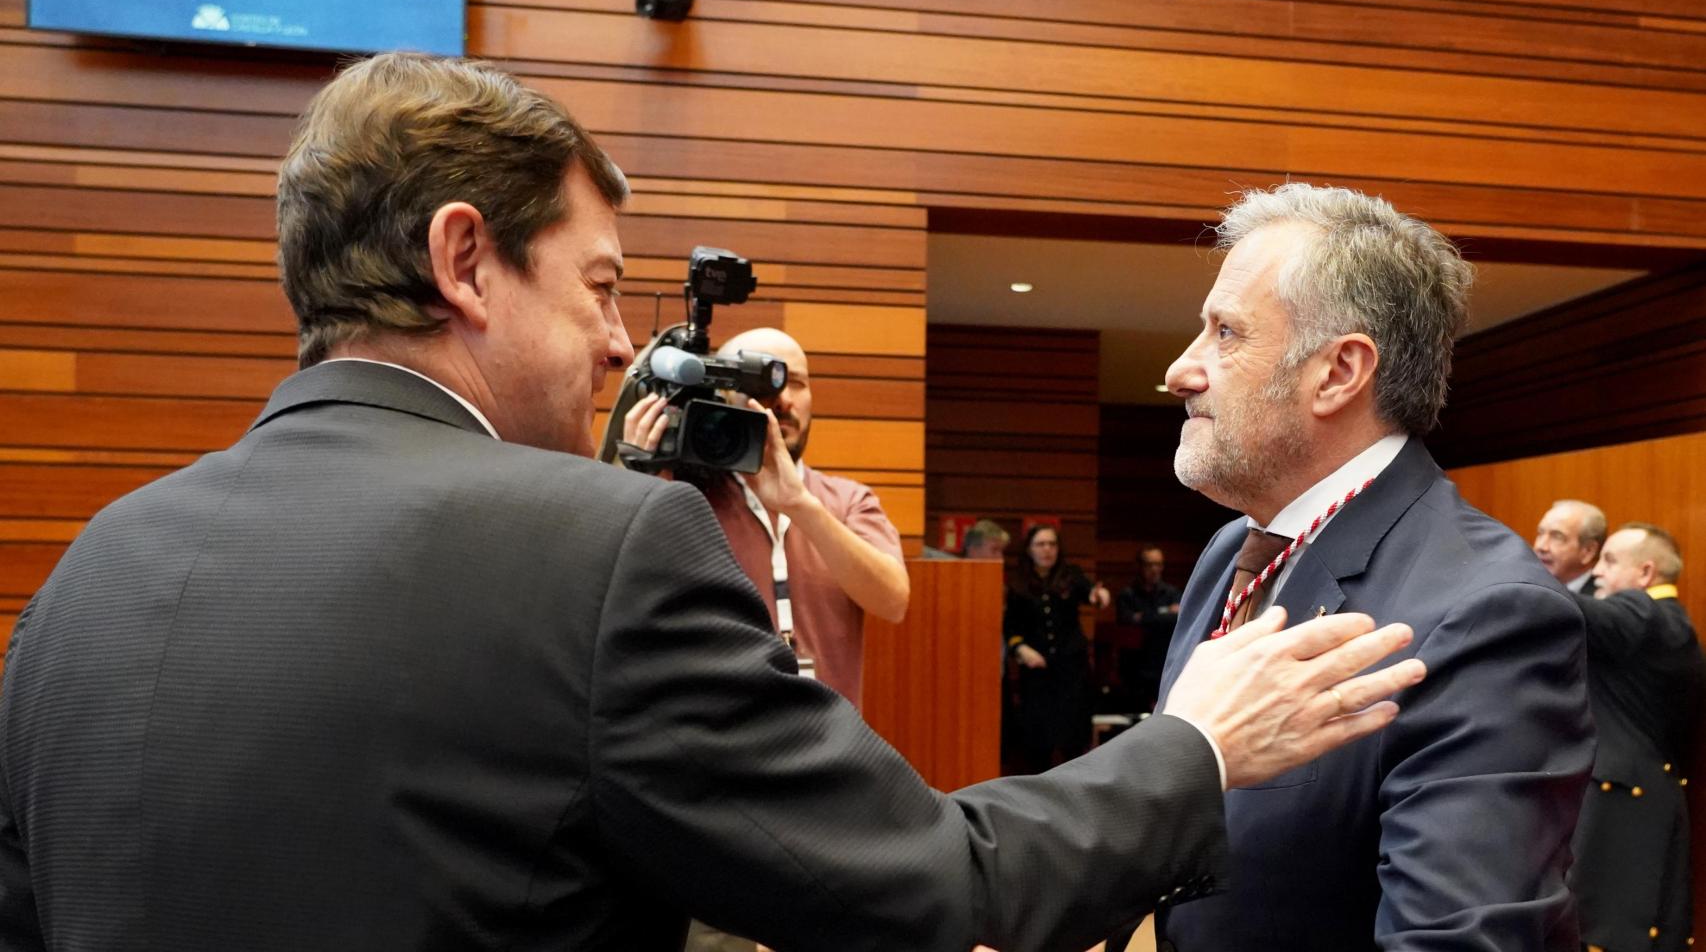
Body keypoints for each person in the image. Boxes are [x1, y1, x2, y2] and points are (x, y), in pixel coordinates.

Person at [0, 56, 1428, 951]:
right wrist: (1189, 746)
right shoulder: (592, 545)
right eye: (602, 285)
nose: (628, 348)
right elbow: (931, 888)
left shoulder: (94, 569)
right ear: (463, 261)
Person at [1151, 184, 1594, 951]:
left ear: (1338, 372)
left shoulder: (1488, 612)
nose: (1180, 371)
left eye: (1225, 333)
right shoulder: (1235, 550)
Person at [623, 328, 907, 708]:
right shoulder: (686, 497)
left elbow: (893, 601)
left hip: (829, 740)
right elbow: (632, 595)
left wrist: (799, 504)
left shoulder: (847, 500)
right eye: (763, 383)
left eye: (798, 383)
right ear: (723, 396)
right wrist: (640, 480)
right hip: (717, 737)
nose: (784, 399)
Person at [1570, 524, 1704, 952]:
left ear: (1646, 573)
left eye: (1609, 561)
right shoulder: (1673, 626)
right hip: (1652, 801)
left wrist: (1505, 566)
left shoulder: (1644, 616)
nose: (1597, 572)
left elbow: (1567, 608)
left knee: (1604, 931)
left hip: (1623, 813)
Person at [1002, 525, 1111, 773]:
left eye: (1052, 544)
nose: (1047, 549)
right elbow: (1011, 627)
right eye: (1041, 544)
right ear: (1030, 550)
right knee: (1038, 740)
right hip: (1037, 672)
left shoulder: (1070, 575)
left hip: (1071, 669)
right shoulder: (1019, 583)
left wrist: (1100, 595)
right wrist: (1021, 650)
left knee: (1073, 735)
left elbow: (1091, 592)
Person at [1114, 544, 1183, 712]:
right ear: (1139, 566)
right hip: (1135, 665)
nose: (1154, 569)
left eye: (1158, 564)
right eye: (1149, 564)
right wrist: (1165, 612)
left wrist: (1144, 616)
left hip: (1164, 661)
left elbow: (1178, 619)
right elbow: (1127, 620)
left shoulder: (1171, 592)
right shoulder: (1127, 595)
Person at [1534, 498, 1607, 595]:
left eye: (1557, 537)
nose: (1541, 546)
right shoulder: (1527, 586)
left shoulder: (1601, 599)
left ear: (1588, 551)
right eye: (1540, 533)